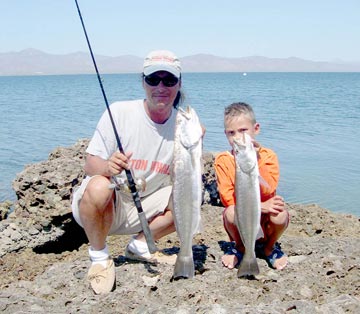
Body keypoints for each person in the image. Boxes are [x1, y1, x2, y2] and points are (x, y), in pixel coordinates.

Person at [72, 50, 186, 294]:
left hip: (147, 209)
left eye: (169, 80)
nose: (161, 86)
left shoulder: (183, 124)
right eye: (153, 79)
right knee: (99, 185)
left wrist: (194, 144)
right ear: (143, 81)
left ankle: (141, 245)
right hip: (109, 206)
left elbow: (187, 177)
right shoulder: (120, 113)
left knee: (189, 198)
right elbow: (90, 163)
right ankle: (100, 257)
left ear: (179, 83)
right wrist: (107, 167)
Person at [214, 102, 289, 271]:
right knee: (231, 212)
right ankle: (241, 247)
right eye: (231, 133)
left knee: (281, 214)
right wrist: (260, 206)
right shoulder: (223, 160)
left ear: (256, 128)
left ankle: (269, 247)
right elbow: (227, 198)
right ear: (225, 134)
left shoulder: (268, 156)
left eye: (243, 130)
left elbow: (269, 188)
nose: (238, 137)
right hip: (242, 217)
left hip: (265, 218)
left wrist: (256, 160)